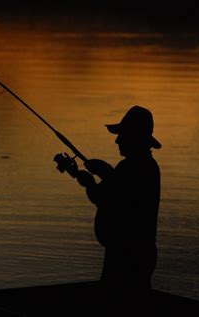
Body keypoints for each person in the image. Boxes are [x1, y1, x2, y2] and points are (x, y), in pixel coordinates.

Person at [54, 105, 161, 299]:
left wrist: (88, 182)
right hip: (139, 252)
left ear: (135, 138)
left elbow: (106, 198)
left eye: (123, 135)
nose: (117, 140)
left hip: (127, 255)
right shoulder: (146, 166)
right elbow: (123, 191)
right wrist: (106, 171)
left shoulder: (131, 167)